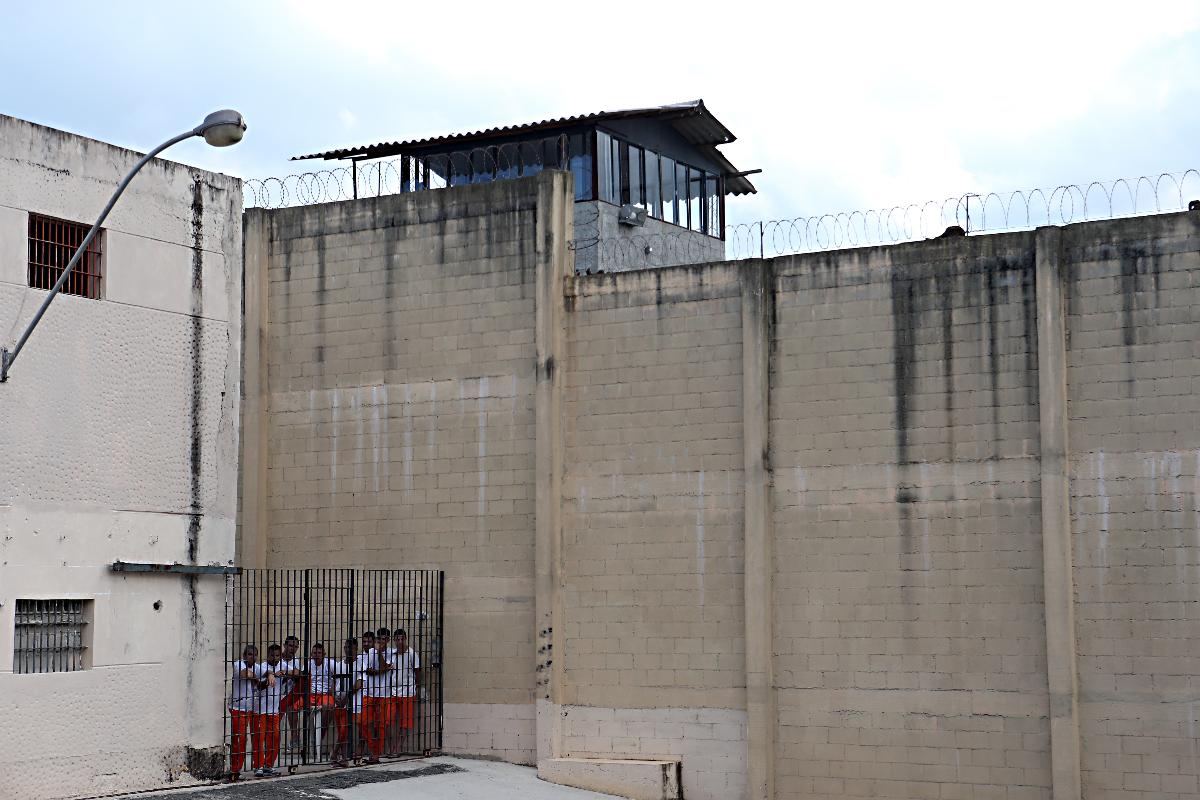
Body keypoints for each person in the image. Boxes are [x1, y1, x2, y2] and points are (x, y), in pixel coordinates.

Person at [228, 644, 265, 781]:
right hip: (238, 708)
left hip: (250, 709)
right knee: (240, 739)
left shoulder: (257, 666)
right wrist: (256, 678)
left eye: (255, 655)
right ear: (244, 655)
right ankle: (235, 769)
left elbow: (266, 672)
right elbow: (245, 674)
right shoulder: (238, 664)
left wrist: (270, 674)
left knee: (254, 737)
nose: (253, 657)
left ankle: (255, 766)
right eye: (250, 654)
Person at [355, 629, 389, 764]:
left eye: (369, 641)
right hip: (366, 693)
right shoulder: (360, 657)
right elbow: (369, 671)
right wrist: (380, 670)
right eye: (364, 641)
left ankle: (375, 755)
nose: (366, 644)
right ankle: (373, 749)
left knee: (380, 725)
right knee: (362, 722)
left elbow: (383, 667)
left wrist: (379, 653)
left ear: (374, 642)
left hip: (381, 693)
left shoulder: (378, 653)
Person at [253, 644, 285, 777]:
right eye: (272, 655)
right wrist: (271, 677)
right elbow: (259, 686)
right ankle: (258, 766)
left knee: (275, 738)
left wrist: (284, 673)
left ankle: (268, 765)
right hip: (260, 709)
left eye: (277, 655)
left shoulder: (282, 666)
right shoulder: (262, 667)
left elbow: (297, 672)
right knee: (259, 739)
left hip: (274, 710)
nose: (275, 658)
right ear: (268, 655)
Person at [389, 628, 421, 756]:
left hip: (408, 692)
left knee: (405, 722)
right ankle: (392, 746)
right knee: (388, 719)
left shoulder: (412, 653)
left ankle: (398, 748)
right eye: (397, 639)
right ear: (394, 641)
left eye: (402, 639)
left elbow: (418, 671)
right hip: (393, 692)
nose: (400, 642)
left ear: (406, 639)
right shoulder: (393, 654)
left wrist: (415, 688)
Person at [331, 637, 360, 767]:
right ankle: (343, 758)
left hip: (351, 702)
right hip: (338, 701)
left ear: (356, 649)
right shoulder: (339, 665)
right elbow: (333, 682)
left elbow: (359, 684)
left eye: (351, 648)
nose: (348, 650)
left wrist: (346, 697)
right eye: (346, 647)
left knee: (344, 730)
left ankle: (334, 753)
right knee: (341, 730)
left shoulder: (359, 664)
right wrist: (333, 695)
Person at [307, 643, 336, 759]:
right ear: (311, 654)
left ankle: (319, 735)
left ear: (324, 654)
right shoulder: (308, 664)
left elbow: (337, 678)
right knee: (295, 706)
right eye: (314, 653)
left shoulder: (331, 664)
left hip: (325, 693)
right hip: (311, 694)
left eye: (319, 653)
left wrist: (333, 691)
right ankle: (303, 737)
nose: (317, 655)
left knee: (328, 706)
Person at [277, 635, 305, 753]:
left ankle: (294, 736)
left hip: (289, 692)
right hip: (276, 693)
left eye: (296, 647)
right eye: (291, 646)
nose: (293, 649)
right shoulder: (277, 658)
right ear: (284, 646)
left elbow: (298, 675)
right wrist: (291, 674)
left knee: (292, 706)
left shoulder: (296, 661)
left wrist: (287, 674)